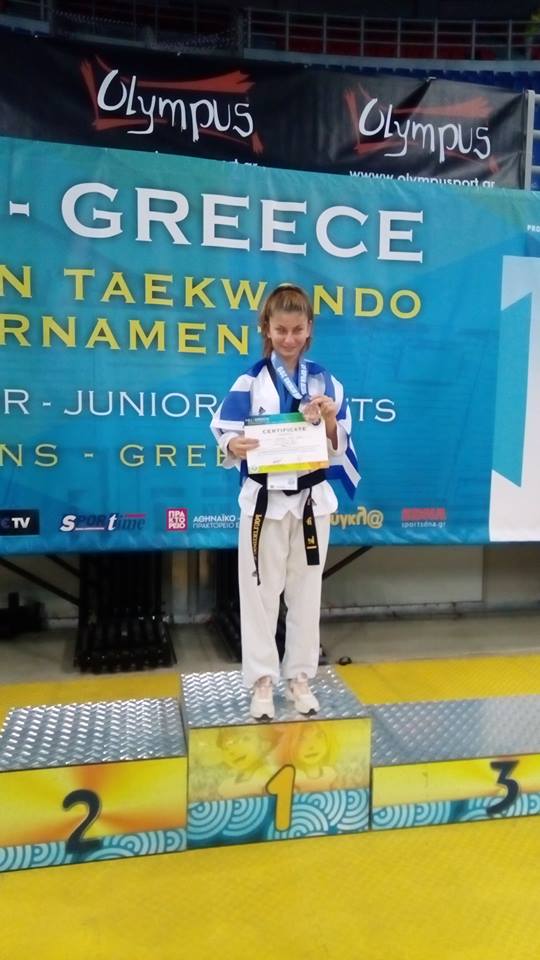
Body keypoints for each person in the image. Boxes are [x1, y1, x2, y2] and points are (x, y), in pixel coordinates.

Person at [211, 283, 359, 721]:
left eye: (297, 329)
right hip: (265, 502)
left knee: (306, 593)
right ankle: (261, 681)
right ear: (266, 329)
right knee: (259, 594)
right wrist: (233, 445)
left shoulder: (327, 383)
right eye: (281, 330)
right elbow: (223, 429)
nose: (289, 338)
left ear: (309, 328)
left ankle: (299, 678)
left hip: (311, 502)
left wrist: (329, 420)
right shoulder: (250, 381)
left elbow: (340, 443)